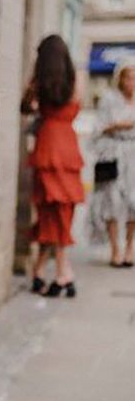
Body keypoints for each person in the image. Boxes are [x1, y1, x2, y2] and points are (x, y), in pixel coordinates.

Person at [21, 35, 85, 296]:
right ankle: (59, 273)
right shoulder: (75, 79)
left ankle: (51, 272)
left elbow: (25, 108)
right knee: (59, 210)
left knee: (50, 210)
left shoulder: (39, 83)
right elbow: (77, 104)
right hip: (68, 146)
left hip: (48, 145)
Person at [89, 62, 135, 267]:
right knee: (113, 202)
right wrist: (118, 125)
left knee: (133, 204)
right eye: (128, 77)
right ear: (120, 79)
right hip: (114, 155)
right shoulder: (109, 99)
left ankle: (129, 249)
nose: (131, 82)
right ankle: (115, 249)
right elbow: (98, 128)